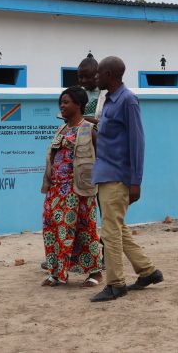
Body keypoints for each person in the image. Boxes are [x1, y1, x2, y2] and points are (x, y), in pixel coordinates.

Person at [90, 56, 163, 302]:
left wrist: (136, 181)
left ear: (110, 74)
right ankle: (148, 271)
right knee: (118, 229)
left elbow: (137, 142)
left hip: (117, 176)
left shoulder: (128, 100)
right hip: (105, 173)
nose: (95, 77)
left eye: (99, 73)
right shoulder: (109, 102)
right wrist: (96, 126)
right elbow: (111, 134)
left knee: (110, 232)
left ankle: (115, 284)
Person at [40, 86, 103, 287]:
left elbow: (102, 157)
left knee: (85, 230)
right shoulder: (61, 129)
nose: (62, 106)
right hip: (56, 191)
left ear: (79, 104)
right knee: (53, 230)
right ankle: (56, 273)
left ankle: (95, 273)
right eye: (61, 102)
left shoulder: (88, 129)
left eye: (66, 102)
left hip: (80, 191)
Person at [78, 57, 107, 126]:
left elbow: (110, 124)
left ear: (97, 75)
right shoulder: (77, 93)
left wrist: (86, 120)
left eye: (87, 77)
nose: (83, 80)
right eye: (80, 77)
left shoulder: (108, 94)